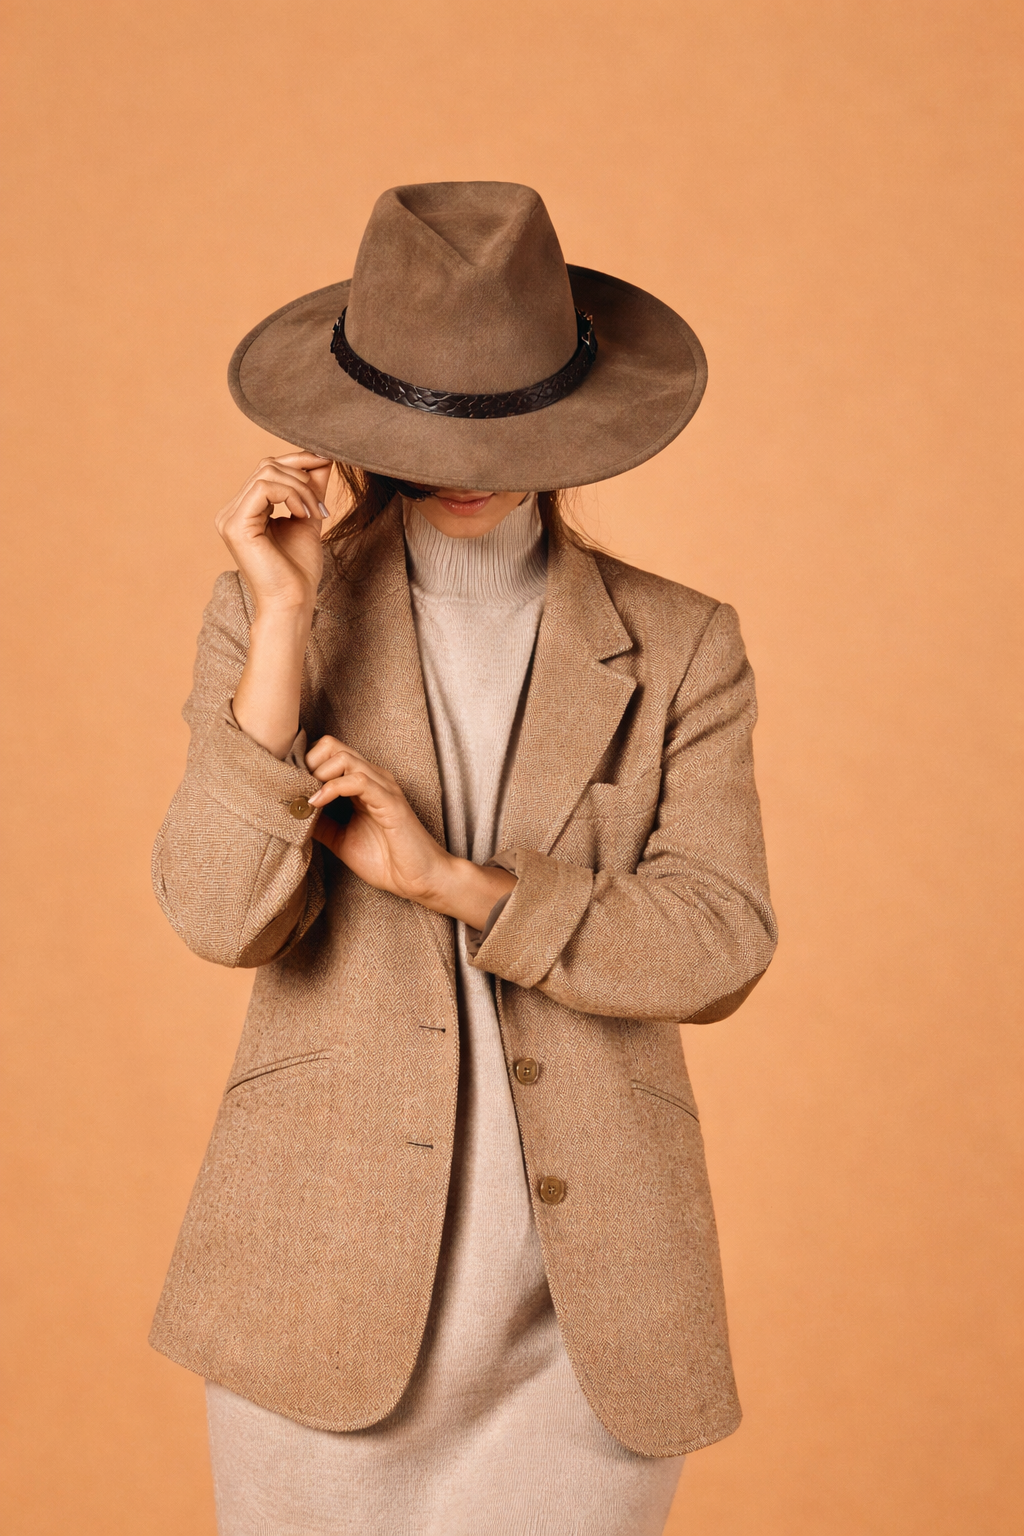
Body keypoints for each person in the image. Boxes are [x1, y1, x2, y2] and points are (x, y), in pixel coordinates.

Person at [151, 180, 777, 1536]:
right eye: (431, 423)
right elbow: (214, 911)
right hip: (312, 1288)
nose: (471, 463)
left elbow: (722, 940)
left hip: (590, 1319)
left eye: (512, 423)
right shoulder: (270, 620)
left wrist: (461, 885)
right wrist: (283, 617)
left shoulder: (682, 645)